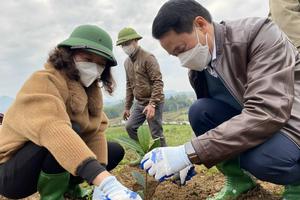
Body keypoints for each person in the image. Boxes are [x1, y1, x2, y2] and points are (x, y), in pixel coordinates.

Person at [140, 0, 300, 199]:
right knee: (200, 111)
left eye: (181, 48)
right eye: (175, 55)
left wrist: (187, 153)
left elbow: (266, 112)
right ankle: (238, 180)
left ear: (200, 24)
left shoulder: (259, 34)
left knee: (260, 159)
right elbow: (212, 122)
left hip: (290, 119)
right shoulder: (201, 65)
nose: (182, 60)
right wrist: (188, 156)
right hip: (257, 119)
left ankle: (296, 184)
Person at [0, 24, 141, 200]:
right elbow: (53, 129)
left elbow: (96, 130)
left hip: (49, 160)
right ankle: (53, 196)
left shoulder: (90, 92)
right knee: (67, 133)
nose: (94, 67)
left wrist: (100, 181)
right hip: (12, 173)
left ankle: (70, 191)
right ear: (68, 55)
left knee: (113, 150)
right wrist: (107, 182)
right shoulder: (43, 81)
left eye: (100, 64)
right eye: (87, 58)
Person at [116, 27, 167, 147]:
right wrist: (127, 107)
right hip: (139, 103)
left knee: (156, 133)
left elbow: (157, 82)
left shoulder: (148, 57)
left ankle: (164, 158)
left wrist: (152, 104)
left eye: (127, 43)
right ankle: (142, 152)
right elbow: (129, 86)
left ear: (135, 41)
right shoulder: (127, 63)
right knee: (130, 127)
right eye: (122, 45)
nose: (125, 47)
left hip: (153, 101)